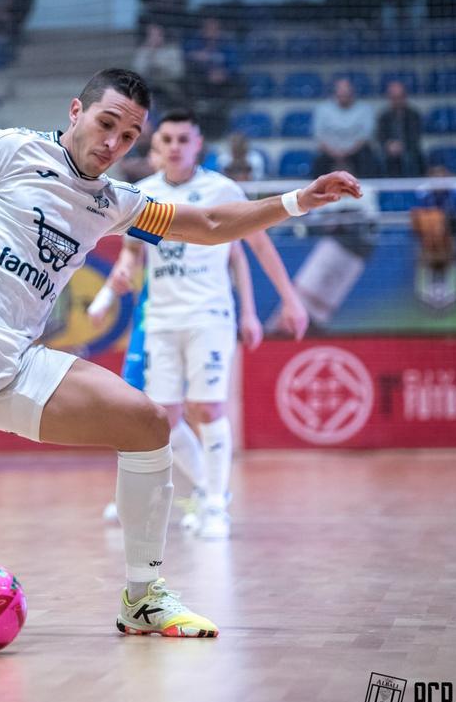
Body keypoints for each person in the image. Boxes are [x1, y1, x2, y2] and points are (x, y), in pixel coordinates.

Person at [0, 68, 360, 636]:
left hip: (17, 357)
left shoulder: (115, 202)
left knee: (147, 423)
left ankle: (143, 599)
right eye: (105, 125)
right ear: (76, 111)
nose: (112, 144)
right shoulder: (5, 148)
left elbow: (213, 222)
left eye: (127, 137)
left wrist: (299, 200)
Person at [94, 110, 309, 540]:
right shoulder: (144, 193)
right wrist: (122, 271)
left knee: (209, 409)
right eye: (168, 139)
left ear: (198, 146)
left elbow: (257, 245)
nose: (175, 146)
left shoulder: (221, 189)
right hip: (160, 318)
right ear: (158, 147)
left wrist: (289, 298)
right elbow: (134, 252)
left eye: (183, 139)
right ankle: (212, 492)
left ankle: (214, 505)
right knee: (163, 419)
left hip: (209, 315)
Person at [312, 78, 379, 178]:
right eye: (341, 95)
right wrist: (334, 152)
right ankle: (317, 191)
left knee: (368, 159)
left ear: (352, 93)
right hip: (330, 152)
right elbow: (319, 135)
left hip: (356, 151)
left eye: (347, 94)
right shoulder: (323, 109)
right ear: (335, 93)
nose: (344, 97)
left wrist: (348, 152)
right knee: (318, 162)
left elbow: (365, 136)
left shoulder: (365, 109)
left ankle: (368, 191)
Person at [376, 80, 423, 178]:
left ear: (405, 97)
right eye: (394, 98)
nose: (397, 100)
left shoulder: (414, 115)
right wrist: (389, 145)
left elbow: (415, 136)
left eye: (399, 97)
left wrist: (402, 146)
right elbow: (380, 136)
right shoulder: (384, 116)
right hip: (388, 150)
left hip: (409, 148)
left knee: (413, 158)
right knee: (378, 159)